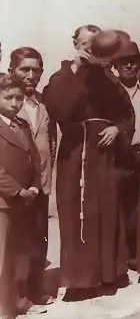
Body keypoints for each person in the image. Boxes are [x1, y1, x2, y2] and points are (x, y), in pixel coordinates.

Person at [43, 28, 134, 300]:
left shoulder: (108, 79)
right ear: (75, 44)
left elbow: (127, 114)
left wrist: (118, 129)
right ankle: (81, 280)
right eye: (86, 44)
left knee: (106, 212)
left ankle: (108, 274)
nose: (91, 50)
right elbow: (60, 109)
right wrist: (77, 70)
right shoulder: (62, 76)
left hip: (105, 158)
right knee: (76, 214)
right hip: (77, 154)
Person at [8, 48, 56, 306]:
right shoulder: (7, 101)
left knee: (38, 240)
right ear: (11, 71)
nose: (30, 75)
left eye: (35, 69)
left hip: (41, 185)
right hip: (13, 188)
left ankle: (35, 288)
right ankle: (14, 295)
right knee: (13, 243)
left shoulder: (43, 101)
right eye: (23, 69)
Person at [0, 75, 43, 317]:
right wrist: (17, 191)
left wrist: (34, 188)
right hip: (5, 202)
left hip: (25, 201)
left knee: (19, 255)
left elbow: (35, 159)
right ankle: (4, 308)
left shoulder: (22, 124)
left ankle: (19, 300)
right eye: (9, 97)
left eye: (19, 98)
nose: (15, 103)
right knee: (3, 258)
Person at [111, 43, 140, 271]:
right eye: (124, 62)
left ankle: (137, 252)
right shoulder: (110, 91)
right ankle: (119, 255)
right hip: (119, 154)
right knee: (119, 205)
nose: (129, 66)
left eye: (133, 61)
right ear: (116, 65)